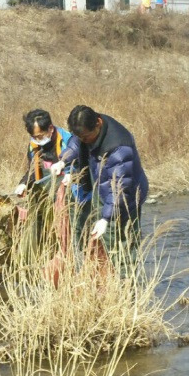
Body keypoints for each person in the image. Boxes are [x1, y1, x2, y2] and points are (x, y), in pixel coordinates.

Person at [50, 106, 149, 272]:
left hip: (126, 198)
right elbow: (76, 142)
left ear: (98, 123)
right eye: (81, 136)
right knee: (104, 244)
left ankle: (130, 290)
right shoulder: (87, 128)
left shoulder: (118, 147)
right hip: (102, 188)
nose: (85, 141)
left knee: (123, 247)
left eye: (87, 137)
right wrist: (63, 160)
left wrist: (106, 218)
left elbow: (119, 188)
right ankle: (109, 281)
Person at [15, 109, 71, 197]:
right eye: (34, 137)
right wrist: (24, 184)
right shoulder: (33, 145)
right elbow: (32, 170)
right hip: (46, 193)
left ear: (51, 128)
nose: (37, 140)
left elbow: (79, 166)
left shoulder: (68, 141)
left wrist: (70, 173)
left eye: (40, 136)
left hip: (68, 192)